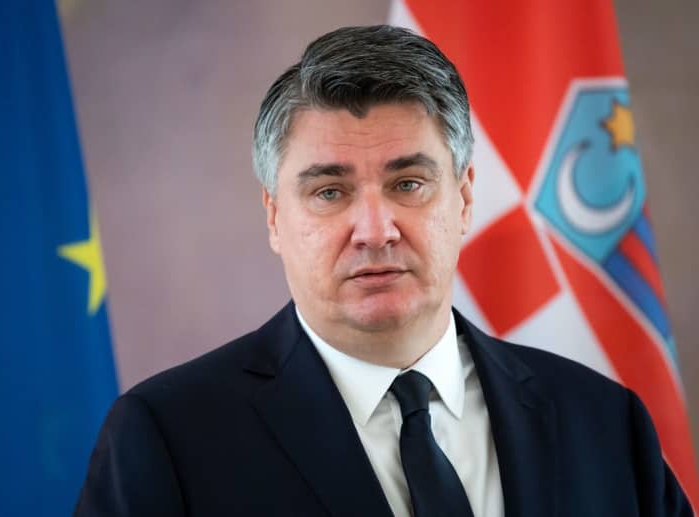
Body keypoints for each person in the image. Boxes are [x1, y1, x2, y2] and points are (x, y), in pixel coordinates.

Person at [74, 25, 692, 517]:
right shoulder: (167, 439)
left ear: (465, 197)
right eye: (329, 192)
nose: (375, 229)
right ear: (273, 216)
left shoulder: (605, 422)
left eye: (409, 183)